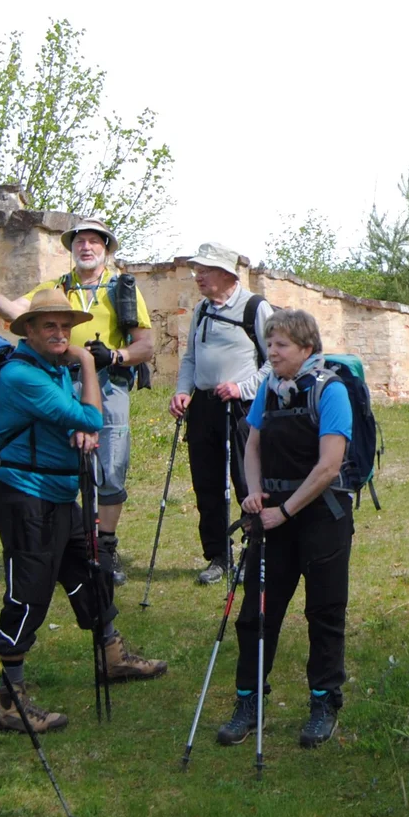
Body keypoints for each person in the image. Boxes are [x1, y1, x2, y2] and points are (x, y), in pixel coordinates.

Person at [0, 286, 166, 734]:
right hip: (26, 497)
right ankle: (11, 700)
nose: (62, 333)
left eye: (66, 326)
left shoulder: (52, 368)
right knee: (29, 594)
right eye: (50, 326)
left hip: (62, 494)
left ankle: (112, 656)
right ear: (29, 330)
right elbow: (88, 418)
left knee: (92, 570)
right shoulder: (22, 375)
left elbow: (80, 423)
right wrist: (87, 364)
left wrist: (81, 427)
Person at [0, 219, 152, 584]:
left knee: (110, 466)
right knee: (65, 463)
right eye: (80, 242)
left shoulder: (122, 290)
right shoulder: (55, 288)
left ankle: (105, 546)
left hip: (107, 385)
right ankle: (77, 542)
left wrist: (114, 356)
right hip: (60, 384)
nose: (87, 247)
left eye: (95, 241)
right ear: (71, 249)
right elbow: (19, 312)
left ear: (106, 249)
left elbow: (146, 346)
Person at [216, 308, 354, 751]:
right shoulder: (270, 392)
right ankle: (248, 701)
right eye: (269, 344)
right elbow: (252, 445)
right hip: (272, 516)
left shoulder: (330, 391)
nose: (271, 352)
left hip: (321, 517)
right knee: (256, 615)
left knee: (324, 612)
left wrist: (286, 512)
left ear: (306, 348)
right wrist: (253, 494)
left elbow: (330, 466)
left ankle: (323, 703)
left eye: (281, 345)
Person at [169, 242, 271, 587]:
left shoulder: (255, 307)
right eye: (197, 270)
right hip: (204, 407)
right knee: (206, 484)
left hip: (242, 408)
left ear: (228, 274)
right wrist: (184, 391)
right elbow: (190, 359)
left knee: (247, 481)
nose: (198, 276)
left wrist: (242, 388)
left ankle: (252, 551)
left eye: (206, 270)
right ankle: (218, 555)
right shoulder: (200, 310)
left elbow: (275, 362)